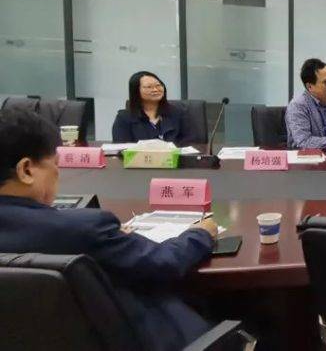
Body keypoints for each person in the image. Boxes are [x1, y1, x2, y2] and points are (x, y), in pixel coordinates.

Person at [0, 109, 218, 351]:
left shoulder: (84, 229)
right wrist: (200, 233)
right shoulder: (86, 230)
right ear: (26, 170)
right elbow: (163, 262)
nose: (58, 173)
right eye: (55, 164)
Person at [112, 71, 194, 144]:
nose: (155, 90)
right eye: (149, 87)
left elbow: (190, 143)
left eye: (158, 85)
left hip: (176, 156)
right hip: (139, 157)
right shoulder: (124, 118)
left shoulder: (178, 113)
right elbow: (121, 146)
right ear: (136, 91)